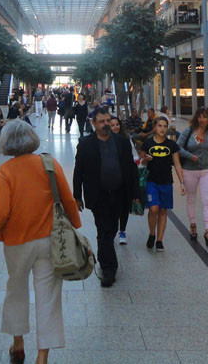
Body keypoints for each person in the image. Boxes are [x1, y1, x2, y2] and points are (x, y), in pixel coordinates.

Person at [0, 120, 80, 364]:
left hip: (17, 241)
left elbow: (1, 211)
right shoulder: (49, 164)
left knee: (16, 289)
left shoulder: (5, 172)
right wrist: (76, 225)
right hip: (49, 239)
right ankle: (42, 357)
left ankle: (18, 345)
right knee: (48, 295)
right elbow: (68, 199)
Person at [73, 108, 137, 287]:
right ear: (94, 123)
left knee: (112, 228)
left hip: (119, 193)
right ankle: (108, 268)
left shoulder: (121, 142)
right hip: (98, 195)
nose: (106, 124)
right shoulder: (85, 143)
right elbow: (79, 171)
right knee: (104, 231)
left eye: (108, 120)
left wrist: (135, 194)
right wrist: (77, 196)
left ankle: (107, 261)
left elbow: (130, 169)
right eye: (102, 121)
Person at [178, 107, 208, 247]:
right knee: (191, 199)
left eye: (205, 117)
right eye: (199, 117)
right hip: (189, 170)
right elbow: (178, 147)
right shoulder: (189, 131)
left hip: (206, 170)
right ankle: (193, 225)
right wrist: (190, 156)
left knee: (206, 200)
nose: (202, 120)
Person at [138, 115, 184, 252]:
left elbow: (177, 164)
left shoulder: (171, 145)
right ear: (155, 127)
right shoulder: (148, 143)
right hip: (151, 181)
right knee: (153, 209)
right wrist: (146, 159)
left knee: (163, 210)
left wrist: (182, 182)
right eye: (160, 126)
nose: (162, 129)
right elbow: (141, 162)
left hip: (166, 181)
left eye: (165, 126)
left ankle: (159, 240)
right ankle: (152, 233)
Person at [107, 116, 132, 246]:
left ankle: (122, 230)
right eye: (112, 125)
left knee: (124, 207)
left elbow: (133, 160)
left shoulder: (125, 140)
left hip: (124, 180)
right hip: (111, 181)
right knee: (113, 208)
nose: (116, 127)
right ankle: (112, 229)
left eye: (117, 124)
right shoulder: (104, 141)